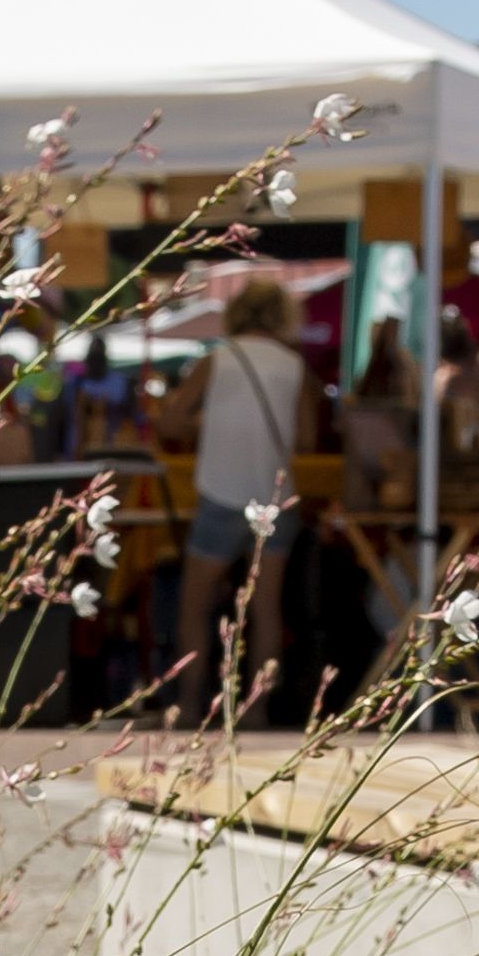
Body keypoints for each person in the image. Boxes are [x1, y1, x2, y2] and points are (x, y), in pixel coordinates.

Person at [167, 271, 310, 713]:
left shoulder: (217, 360)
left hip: (221, 493)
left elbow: (169, 422)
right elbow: (305, 438)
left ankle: (190, 704)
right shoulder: (295, 366)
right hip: (275, 497)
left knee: (195, 607)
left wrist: (204, 425)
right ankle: (257, 712)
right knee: (265, 610)